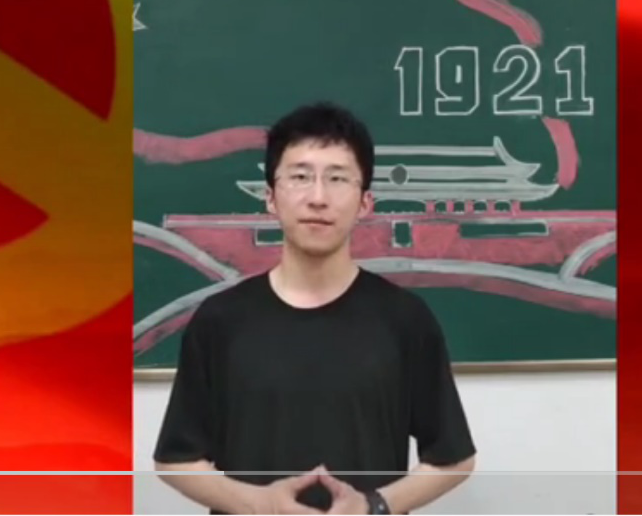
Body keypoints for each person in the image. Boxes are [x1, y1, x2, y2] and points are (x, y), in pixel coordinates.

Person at [154, 101, 477, 514]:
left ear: (365, 202)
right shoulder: (220, 319)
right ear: (271, 197)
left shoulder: (405, 319)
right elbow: (176, 460)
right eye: (300, 177)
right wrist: (258, 505)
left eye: (337, 178)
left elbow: (453, 458)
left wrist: (374, 506)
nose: (318, 198)